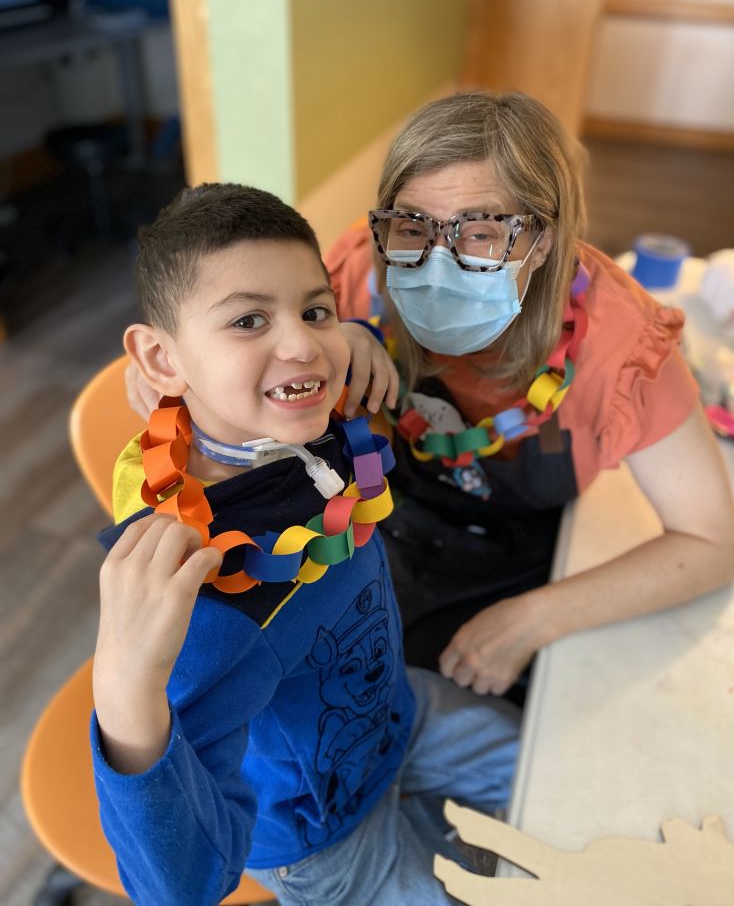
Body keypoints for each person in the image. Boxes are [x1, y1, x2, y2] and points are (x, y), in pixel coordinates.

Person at [91, 182, 520, 906]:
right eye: (249, 319)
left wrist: (350, 334)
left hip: (394, 715)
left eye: (314, 309)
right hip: (318, 833)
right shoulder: (206, 598)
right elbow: (180, 888)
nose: (301, 346)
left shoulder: (306, 421)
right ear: (162, 361)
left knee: (564, 762)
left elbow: (325, 349)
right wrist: (126, 694)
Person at [322, 90, 734, 696]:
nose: (436, 262)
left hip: (518, 559)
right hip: (380, 524)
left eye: (481, 232)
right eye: (414, 224)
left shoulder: (622, 347)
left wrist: (536, 617)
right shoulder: (359, 274)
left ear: (542, 242)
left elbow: (713, 544)